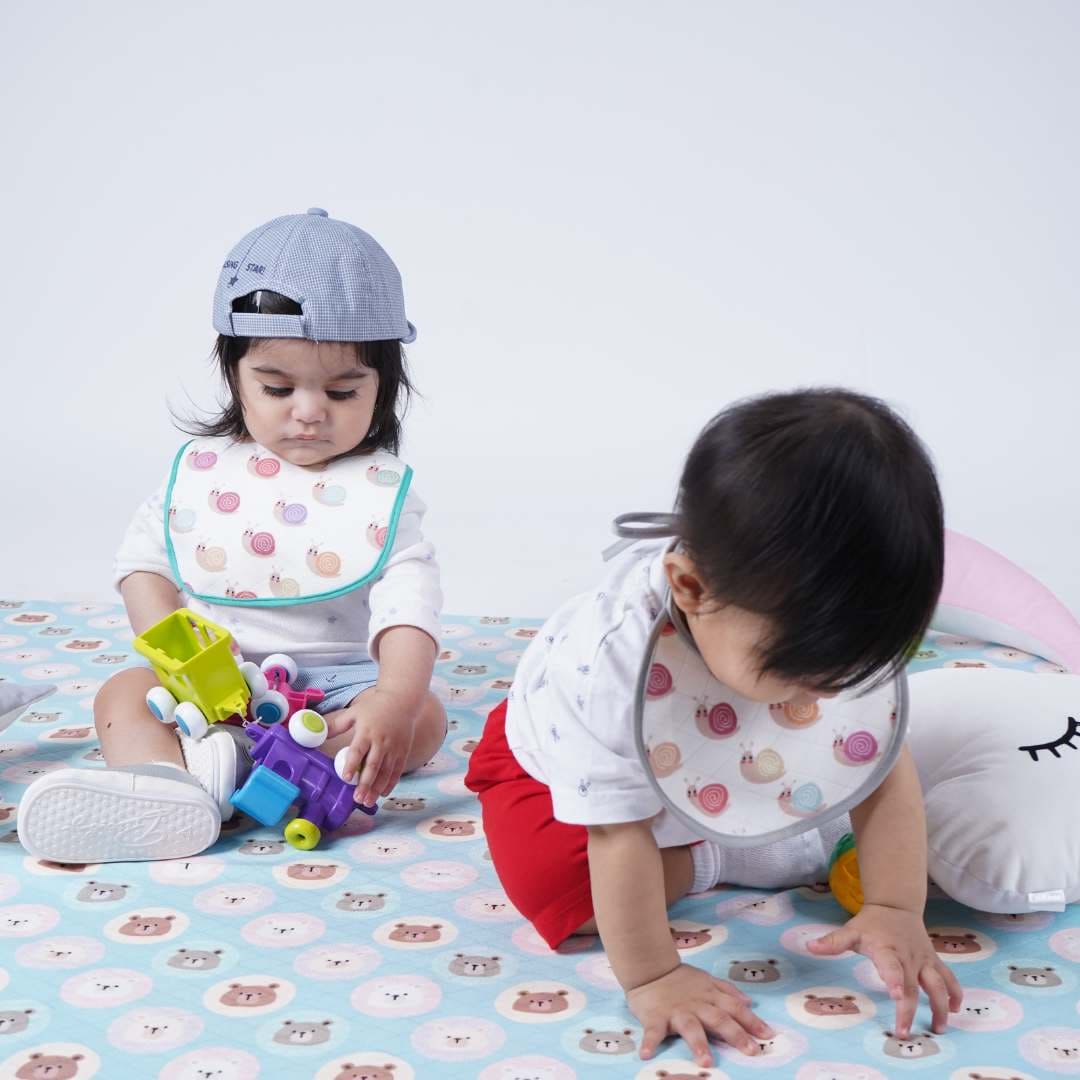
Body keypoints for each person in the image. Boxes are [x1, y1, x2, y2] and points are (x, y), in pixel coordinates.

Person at [465, 388, 964, 1069]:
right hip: (558, 761)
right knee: (553, 889)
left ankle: (744, 825)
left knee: (850, 747)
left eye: (851, 673)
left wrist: (897, 907)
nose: (828, 694)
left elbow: (882, 761)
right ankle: (729, 855)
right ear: (691, 589)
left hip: (733, 747)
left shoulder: (838, 638)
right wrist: (653, 976)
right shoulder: (611, 664)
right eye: (804, 673)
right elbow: (617, 833)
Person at [18, 208, 446, 864]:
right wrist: (181, 663)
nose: (309, 411)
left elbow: (410, 608)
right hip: (211, 680)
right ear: (235, 377)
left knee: (424, 719)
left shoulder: (383, 495)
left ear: (383, 387)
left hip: (336, 694)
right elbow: (143, 567)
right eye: (277, 387)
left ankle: (257, 767)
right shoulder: (205, 477)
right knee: (121, 694)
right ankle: (165, 788)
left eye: (342, 390)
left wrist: (391, 698)